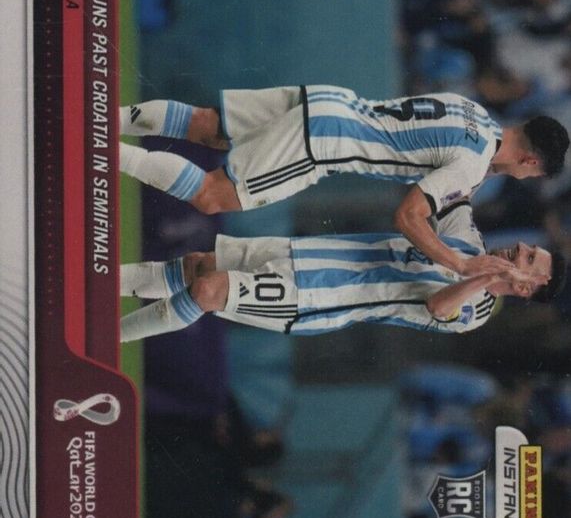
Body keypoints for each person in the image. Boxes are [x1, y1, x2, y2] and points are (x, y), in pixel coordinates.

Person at [119, 86, 569, 277]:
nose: (523, 177)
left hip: (331, 100)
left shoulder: (473, 110)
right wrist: (460, 264)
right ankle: (106, 150)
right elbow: (408, 216)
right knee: (212, 196)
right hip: (325, 142)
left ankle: (107, 118)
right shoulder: (472, 164)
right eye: (531, 173)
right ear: (530, 160)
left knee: (207, 125)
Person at [120, 200, 565, 342]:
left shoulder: (478, 311)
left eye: (528, 259)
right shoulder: (466, 238)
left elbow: (437, 305)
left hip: (317, 298)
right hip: (309, 253)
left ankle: (108, 337)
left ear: (527, 288)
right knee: (197, 265)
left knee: (208, 290)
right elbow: (456, 191)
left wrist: (483, 276)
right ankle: (99, 286)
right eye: (528, 247)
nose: (519, 248)